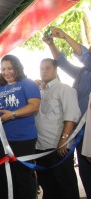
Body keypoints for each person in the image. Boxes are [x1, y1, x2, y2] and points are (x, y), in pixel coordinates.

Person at [43, 27, 91, 197]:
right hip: (80, 132)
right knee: (85, 174)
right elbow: (61, 63)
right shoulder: (82, 73)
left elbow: (86, 56)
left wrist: (64, 35)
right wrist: (51, 44)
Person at [0, 54, 40, 199]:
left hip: (23, 140)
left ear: (17, 67)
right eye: (3, 69)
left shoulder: (27, 83)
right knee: (0, 177)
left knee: (23, 178)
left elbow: (34, 106)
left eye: (10, 68)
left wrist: (13, 114)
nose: (6, 72)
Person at [35, 58, 81, 199]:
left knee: (66, 186)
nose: (44, 71)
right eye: (42, 68)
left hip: (58, 147)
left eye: (48, 68)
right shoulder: (40, 92)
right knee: (48, 186)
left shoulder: (65, 89)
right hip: (40, 148)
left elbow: (71, 116)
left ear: (55, 69)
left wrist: (64, 140)